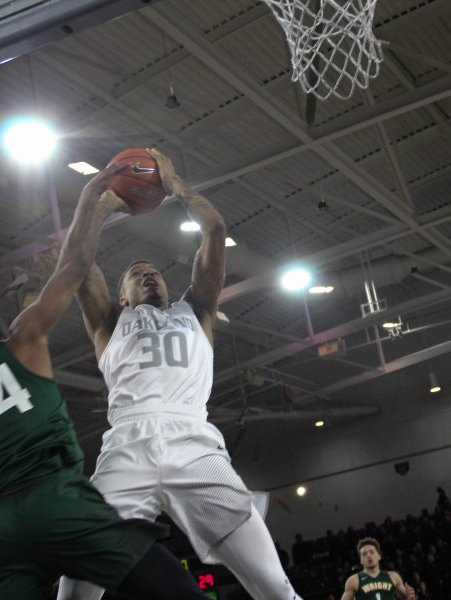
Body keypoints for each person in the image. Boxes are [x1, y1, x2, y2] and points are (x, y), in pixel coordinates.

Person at [0, 165, 210, 600]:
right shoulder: (22, 341)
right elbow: (76, 264)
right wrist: (94, 194)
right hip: (59, 501)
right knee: (177, 590)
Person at [58, 149, 301, 600]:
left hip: (194, 443)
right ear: (123, 295)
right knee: (75, 591)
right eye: (136, 274)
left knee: (274, 585)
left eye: (154, 272)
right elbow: (77, 260)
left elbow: (215, 230)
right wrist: (99, 201)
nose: (150, 276)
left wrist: (176, 186)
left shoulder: (198, 311)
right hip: (127, 447)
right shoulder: (109, 323)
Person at [340, 538, 415, 600]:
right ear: (361, 560)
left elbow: (408, 597)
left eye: (372, 552)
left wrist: (411, 597)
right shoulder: (353, 581)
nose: (369, 556)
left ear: (379, 556)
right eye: (364, 554)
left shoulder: (393, 576)